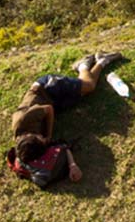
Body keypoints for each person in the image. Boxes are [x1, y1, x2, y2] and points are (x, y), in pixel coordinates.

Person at [10, 51, 122, 179]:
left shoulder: (23, 119)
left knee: (89, 86)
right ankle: (90, 64)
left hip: (48, 88)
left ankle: (90, 64)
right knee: (83, 92)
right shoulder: (26, 147)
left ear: (31, 135)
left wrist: (48, 135)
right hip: (53, 102)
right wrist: (72, 165)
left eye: (40, 138)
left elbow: (49, 109)